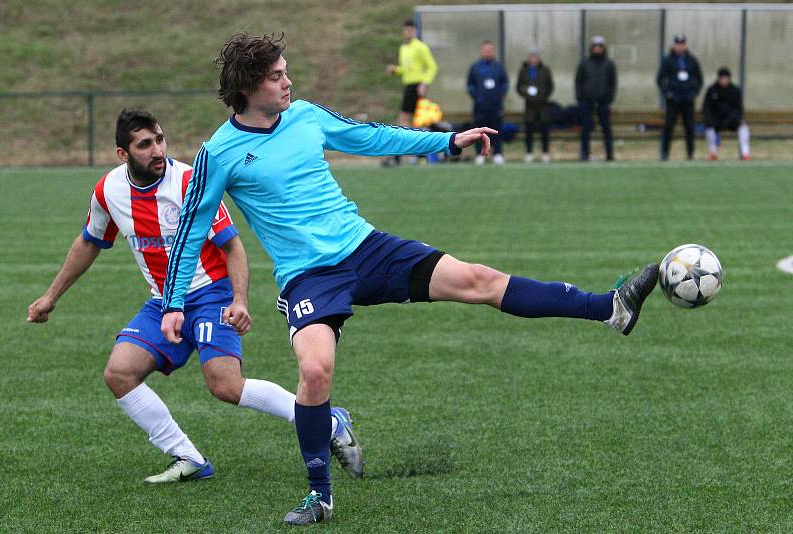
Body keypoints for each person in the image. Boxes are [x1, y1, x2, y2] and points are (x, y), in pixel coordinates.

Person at [160, 33, 659, 525]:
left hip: (366, 248)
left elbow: (373, 135)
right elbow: (189, 233)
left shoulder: (306, 116)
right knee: (314, 373)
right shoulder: (217, 155)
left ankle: (611, 308)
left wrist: (446, 141)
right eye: (276, 76)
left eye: (286, 71)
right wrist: (174, 304)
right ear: (249, 88)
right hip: (309, 278)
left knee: (478, 278)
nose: (288, 81)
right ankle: (320, 495)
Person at [26, 109, 364, 484]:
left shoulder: (190, 181)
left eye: (160, 139)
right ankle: (187, 457)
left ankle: (327, 419)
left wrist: (239, 300)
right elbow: (89, 242)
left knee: (225, 386)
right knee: (119, 373)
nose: (157, 150)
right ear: (123, 154)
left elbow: (233, 248)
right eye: (144, 145)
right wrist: (50, 296)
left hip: (211, 294)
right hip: (163, 302)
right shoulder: (108, 191)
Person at [384, 19, 438, 166]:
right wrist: (396, 70)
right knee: (410, 121)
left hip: (417, 87)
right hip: (408, 87)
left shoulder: (420, 47)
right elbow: (405, 69)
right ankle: (417, 155)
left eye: (410, 30)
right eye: (405, 30)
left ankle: (402, 156)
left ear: (414, 31)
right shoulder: (403, 48)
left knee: (408, 120)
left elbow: (432, 67)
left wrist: (424, 83)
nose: (407, 32)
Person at [656, 34, 703, 160]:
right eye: (678, 44)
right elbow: (660, 79)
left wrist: (694, 93)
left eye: (682, 44)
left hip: (688, 99)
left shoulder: (692, 60)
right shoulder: (668, 60)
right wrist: (667, 93)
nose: (680, 47)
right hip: (673, 100)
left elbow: (699, 79)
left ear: (685, 45)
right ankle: (665, 154)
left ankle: (690, 154)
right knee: (669, 127)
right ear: (674, 45)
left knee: (689, 127)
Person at [575, 35, 617, 161]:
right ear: (591, 48)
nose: (597, 49)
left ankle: (609, 155)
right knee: (586, 129)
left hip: (603, 102)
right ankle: (585, 154)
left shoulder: (609, 65)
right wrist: (580, 97)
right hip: (587, 101)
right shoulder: (584, 64)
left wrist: (609, 98)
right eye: (595, 46)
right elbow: (578, 82)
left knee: (606, 129)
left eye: (600, 46)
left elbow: (612, 83)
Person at [467, 40, 509, 165]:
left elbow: (505, 84)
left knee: (496, 130)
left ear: (493, 51)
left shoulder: (498, 67)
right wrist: (477, 97)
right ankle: (480, 155)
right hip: (480, 106)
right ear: (481, 51)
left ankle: (497, 153)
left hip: (496, 106)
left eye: (490, 50)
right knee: (479, 131)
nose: (487, 52)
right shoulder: (475, 67)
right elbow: (470, 85)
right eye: (485, 50)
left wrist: (499, 96)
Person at [702, 66, 750, 160]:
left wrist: (735, 118)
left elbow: (739, 109)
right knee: (709, 127)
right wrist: (709, 119)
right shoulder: (711, 90)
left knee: (743, 126)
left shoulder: (735, 91)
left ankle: (745, 153)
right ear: (718, 78)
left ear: (729, 78)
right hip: (716, 120)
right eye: (722, 77)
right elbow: (706, 108)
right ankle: (713, 153)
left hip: (731, 120)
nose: (724, 80)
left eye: (726, 77)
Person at [516, 47, 554, 163]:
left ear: (538, 58)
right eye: (531, 56)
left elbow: (550, 86)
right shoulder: (523, 71)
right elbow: (519, 87)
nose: (533, 59)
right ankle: (529, 153)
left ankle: (545, 153)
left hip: (543, 105)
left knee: (545, 130)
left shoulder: (545, 70)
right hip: (530, 105)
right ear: (528, 58)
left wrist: (543, 96)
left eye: (535, 56)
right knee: (529, 129)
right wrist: (526, 94)